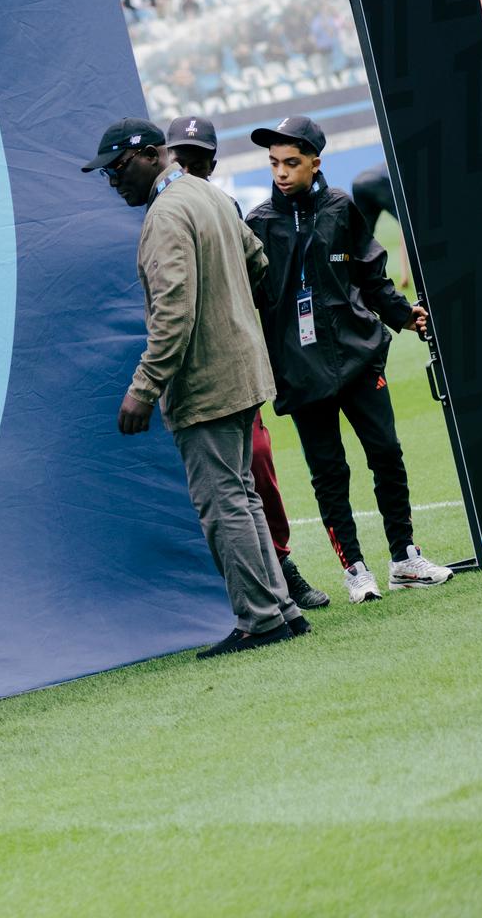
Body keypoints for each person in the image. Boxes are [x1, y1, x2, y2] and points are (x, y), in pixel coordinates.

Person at [83, 117, 308, 659]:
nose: (114, 181)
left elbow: (173, 310)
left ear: (151, 155)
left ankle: (260, 620)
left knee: (222, 502)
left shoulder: (166, 214)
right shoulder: (209, 194)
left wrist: (144, 387)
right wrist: (231, 314)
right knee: (242, 494)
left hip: (206, 381)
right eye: (107, 173)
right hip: (242, 368)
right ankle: (281, 608)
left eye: (118, 168)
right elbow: (258, 261)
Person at [244, 116, 454, 603]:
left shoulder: (341, 208)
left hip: (358, 357)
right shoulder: (257, 224)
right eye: (274, 163)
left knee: (387, 454)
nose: (281, 172)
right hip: (300, 371)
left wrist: (403, 315)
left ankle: (405, 558)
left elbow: (370, 276)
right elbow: (248, 300)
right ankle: (355, 570)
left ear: (315, 163)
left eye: (291, 162)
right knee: (330, 474)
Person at [165, 115, 330, 609]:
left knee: (256, 465)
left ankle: (280, 566)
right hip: (183, 368)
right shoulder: (161, 211)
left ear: (212, 164)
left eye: (197, 158)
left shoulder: (224, 207)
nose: (187, 165)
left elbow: (262, 281)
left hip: (227, 365)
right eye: (180, 156)